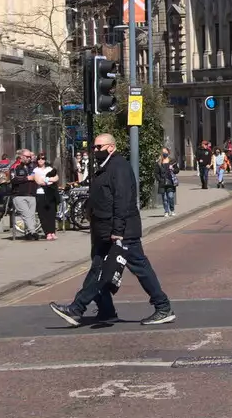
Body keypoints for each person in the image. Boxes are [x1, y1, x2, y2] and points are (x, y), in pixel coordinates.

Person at [51, 133, 175, 327]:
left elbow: (122, 201)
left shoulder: (119, 167)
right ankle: (103, 311)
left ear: (111, 147)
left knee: (140, 269)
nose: (95, 151)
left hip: (122, 232)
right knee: (99, 269)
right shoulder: (105, 167)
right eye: (94, 148)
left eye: (99, 147)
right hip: (106, 231)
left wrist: (118, 231)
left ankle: (163, 307)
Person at [9, 149, 41, 240]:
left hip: (31, 194)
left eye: (30, 157)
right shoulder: (15, 166)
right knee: (26, 214)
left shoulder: (32, 166)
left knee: (31, 216)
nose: (29, 158)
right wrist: (27, 178)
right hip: (19, 195)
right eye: (27, 157)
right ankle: (33, 232)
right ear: (21, 156)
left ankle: (29, 234)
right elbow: (13, 180)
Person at [33, 154, 60, 241]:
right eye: (39, 159)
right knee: (43, 214)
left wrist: (47, 179)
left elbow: (56, 178)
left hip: (50, 193)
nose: (41, 160)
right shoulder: (35, 170)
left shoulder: (49, 169)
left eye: (43, 159)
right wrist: (48, 180)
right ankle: (47, 232)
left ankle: (52, 232)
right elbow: (38, 181)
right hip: (40, 193)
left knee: (51, 213)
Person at [154, 152, 178, 216]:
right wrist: (160, 180)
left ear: (168, 153)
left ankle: (172, 210)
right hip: (162, 183)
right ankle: (166, 211)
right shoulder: (158, 163)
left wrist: (172, 168)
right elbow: (156, 173)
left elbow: (177, 170)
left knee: (171, 197)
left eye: (165, 152)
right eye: (163, 152)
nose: (164, 154)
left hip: (170, 182)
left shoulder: (172, 161)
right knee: (164, 198)